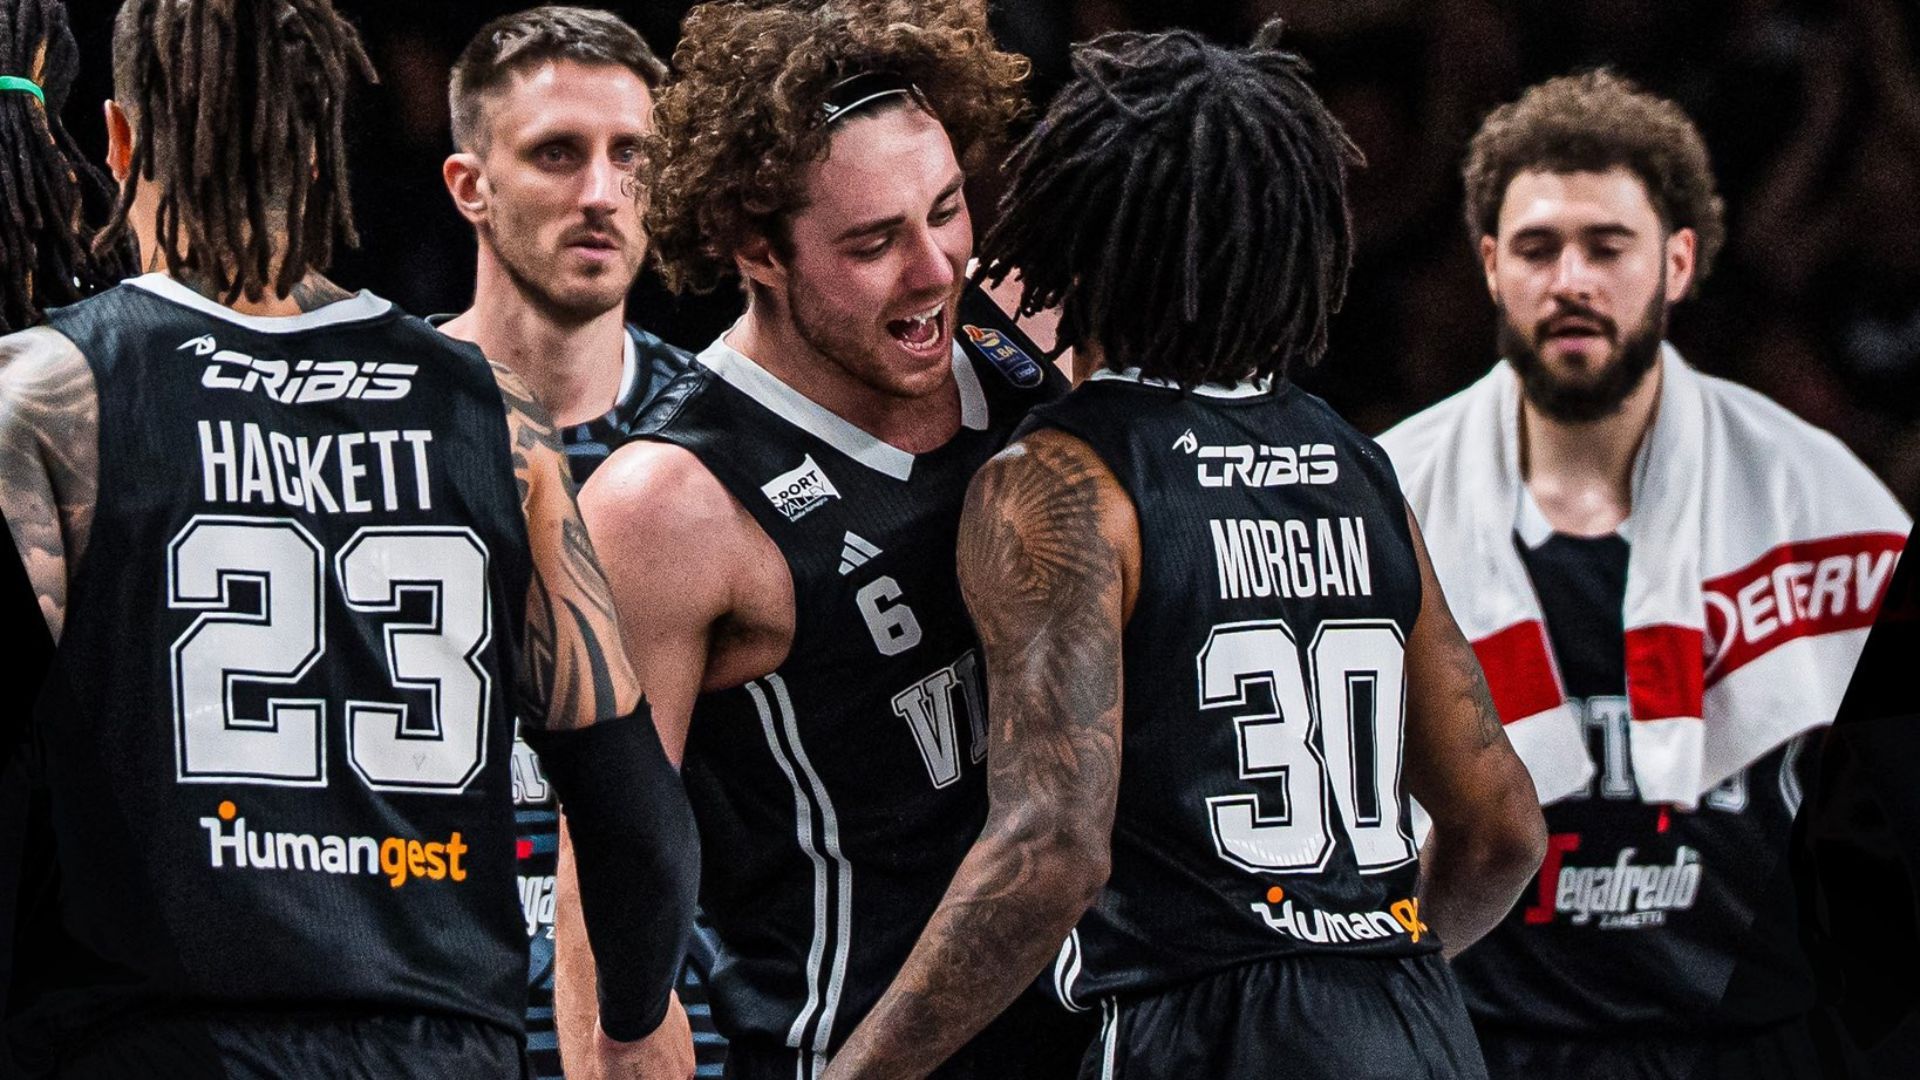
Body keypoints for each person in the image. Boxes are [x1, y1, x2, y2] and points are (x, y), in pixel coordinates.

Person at [823, 26, 1547, 1080]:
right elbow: (1502, 828)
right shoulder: (1353, 462)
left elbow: (1052, 850)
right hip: (1416, 1023)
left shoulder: (1063, 479)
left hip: (1206, 1029)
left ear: (1075, 232)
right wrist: (1358, 973)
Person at [0, 0, 698, 1075]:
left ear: (119, 140)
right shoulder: (491, 412)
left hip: (155, 1039)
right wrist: (633, 1016)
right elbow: (639, 824)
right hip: (440, 1047)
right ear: (331, 150)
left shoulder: (53, 395)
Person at [557, 1, 1090, 1076]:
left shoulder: (1034, 345)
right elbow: (607, 870)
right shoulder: (667, 502)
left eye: (947, 210)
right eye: (874, 242)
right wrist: (615, 1046)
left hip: (1101, 1041)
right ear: (759, 249)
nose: (936, 268)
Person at [1378, 70, 1911, 1079]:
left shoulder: (1815, 499)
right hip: (1480, 1047)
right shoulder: (1390, 494)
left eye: (1607, 246)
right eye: (1537, 247)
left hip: (1753, 1049)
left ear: (1677, 262)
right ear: (1489, 265)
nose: (1571, 281)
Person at [433, 9, 712, 1076]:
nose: (602, 191)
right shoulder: (369, 422)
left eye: (630, 155)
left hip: (672, 1031)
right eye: (557, 153)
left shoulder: (722, 445)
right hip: (428, 1020)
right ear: (470, 185)